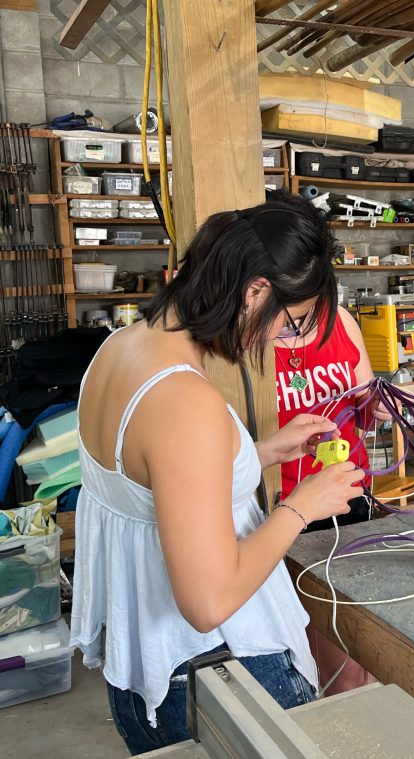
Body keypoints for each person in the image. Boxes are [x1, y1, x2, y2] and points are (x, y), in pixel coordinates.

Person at [70, 195, 366, 754]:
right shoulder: (185, 400)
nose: (285, 337)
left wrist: (257, 452)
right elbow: (208, 601)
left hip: (149, 677)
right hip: (222, 673)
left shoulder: (121, 348)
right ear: (255, 291)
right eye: (291, 319)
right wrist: (301, 506)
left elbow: (153, 483)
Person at [274, 302, 375, 529]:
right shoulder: (244, 333)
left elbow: (366, 416)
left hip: (348, 489)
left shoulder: (339, 319)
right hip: (282, 503)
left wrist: (379, 407)